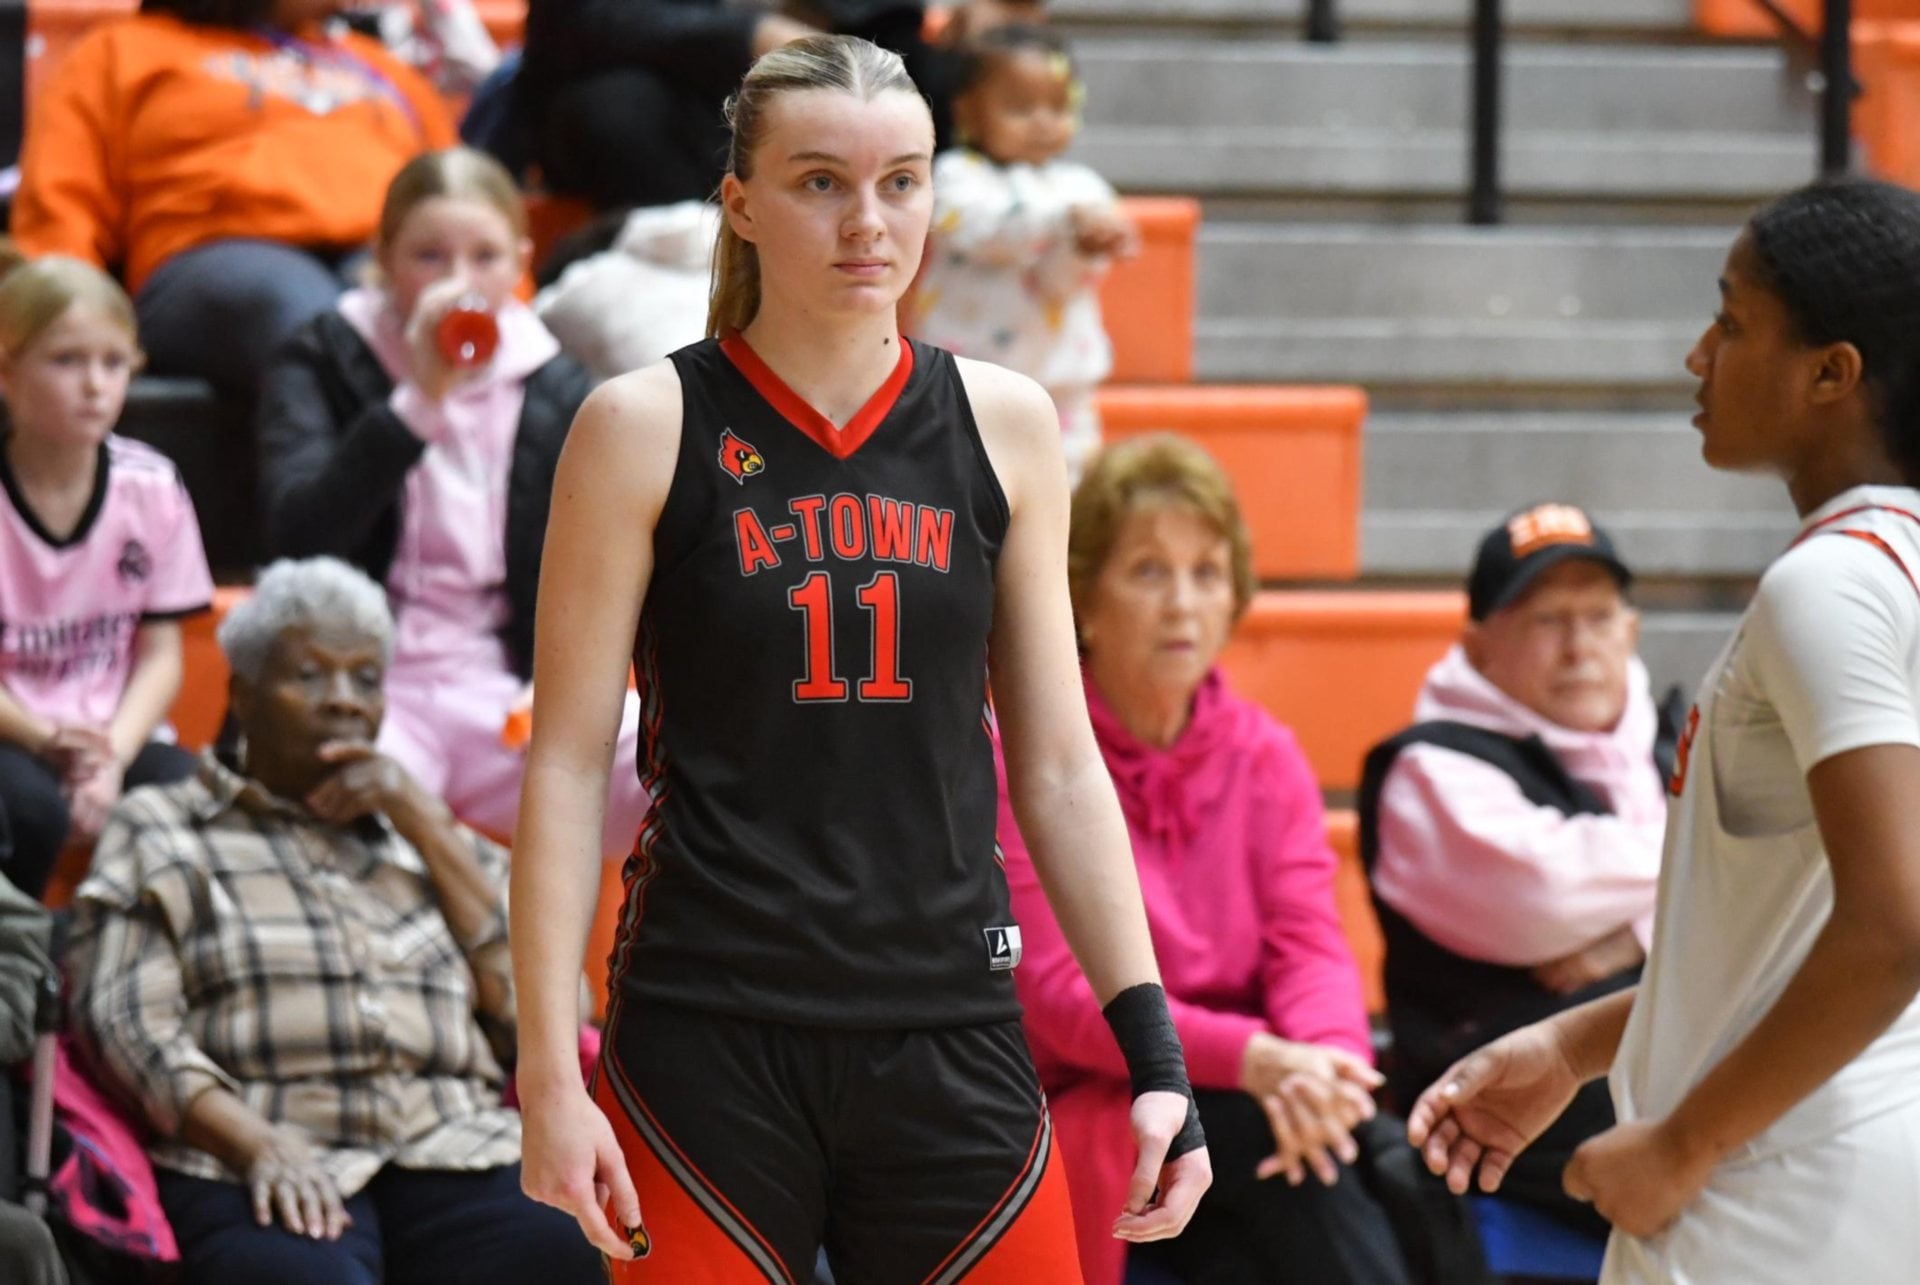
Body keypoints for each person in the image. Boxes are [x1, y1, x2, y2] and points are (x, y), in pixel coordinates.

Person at [511, 35, 1210, 1283]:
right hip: (706, 1032)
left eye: (902, 181)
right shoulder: (637, 426)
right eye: (819, 181)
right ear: (740, 201)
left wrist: (1153, 1050)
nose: (867, 223)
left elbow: (1056, 766)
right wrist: (548, 1070)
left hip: (950, 1026)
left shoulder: (1010, 423)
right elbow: (564, 765)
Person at [1409, 176, 1920, 1284]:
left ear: (1833, 373)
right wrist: (1579, 1043)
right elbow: (1784, 938)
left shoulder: (1830, 583)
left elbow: (1893, 927)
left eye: (1734, 322)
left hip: (1780, 1194)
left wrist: (1683, 1143)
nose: (1700, 354)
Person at [999, 435, 1484, 1285]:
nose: (1183, 604)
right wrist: (1260, 1062)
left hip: (1260, 1101)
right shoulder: (1028, 754)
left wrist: (1324, 1069)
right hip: (1102, 1098)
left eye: (1207, 573)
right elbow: (1058, 1001)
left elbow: (1311, 948)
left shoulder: (1266, 755)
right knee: (1313, 1175)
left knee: (1347, 1161)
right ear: (1084, 601)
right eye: (1149, 571)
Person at [65, 556, 603, 1285]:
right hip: (260, 1149)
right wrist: (254, 1141)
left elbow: (562, 1013)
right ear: (243, 696)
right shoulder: (164, 828)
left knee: (569, 1253)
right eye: (311, 675)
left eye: (366, 678)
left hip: (453, 1143)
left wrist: (430, 828)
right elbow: (124, 1020)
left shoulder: (433, 843)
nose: (345, 700)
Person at [256, 148, 647, 857]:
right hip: (373, 687)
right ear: (383, 258)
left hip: (507, 691)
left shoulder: (559, 384)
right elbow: (300, 530)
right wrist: (419, 398)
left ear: (522, 261)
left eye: (485, 257)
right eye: (429, 257)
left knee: (683, 776)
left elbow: (616, 562)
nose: (459, 283)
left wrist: (560, 680)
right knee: (349, 818)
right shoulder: (324, 355)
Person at [1361, 503, 1666, 1238]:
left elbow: (1781, 888)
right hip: (1499, 1095)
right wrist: (1693, 877)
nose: (1580, 647)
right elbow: (1547, 893)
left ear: (1631, 630)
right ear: (1477, 645)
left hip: (1621, 1063)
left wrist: (1635, 934)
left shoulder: (1665, 749)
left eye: (1598, 617)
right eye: (1548, 620)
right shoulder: (1428, 766)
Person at [11, 0, 455, 401]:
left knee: (414, 301)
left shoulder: (383, 69)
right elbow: (60, 204)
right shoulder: (121, 51)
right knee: (306, 311)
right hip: (209, 264)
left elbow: (462, 200)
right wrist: (64, 318)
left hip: (375, 257)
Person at [0, 255, 212, 901]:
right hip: (15, 732)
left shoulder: (151, 486)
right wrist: (48, 739)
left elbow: (162, 654)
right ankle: (25, 980)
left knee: (193, 804)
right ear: (6, 371)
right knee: (31, 811)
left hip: (112, 730)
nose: (95, 385)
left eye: (113, 363)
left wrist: (113, 754)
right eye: (66, 360)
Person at [518, 0, 1041, 212]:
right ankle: (680, 281)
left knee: (963, 75)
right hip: (665, 112)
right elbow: (575, 27)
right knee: (616, 110)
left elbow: (892, 24)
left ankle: (1014, 212)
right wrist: (748, 33)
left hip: (821, 89)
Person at [908, 24, 1134, 482]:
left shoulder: (1083, 187)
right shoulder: (953, 177)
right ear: (967, 110)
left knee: (1065, 492)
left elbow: (1059, 283)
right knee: (962, 487)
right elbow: (986, 234)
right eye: (1020, 107)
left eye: (1057, 106)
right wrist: (1063, 224)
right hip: (965, 384)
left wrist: (1083, 249)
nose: (1043, 122)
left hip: (1060, 386)